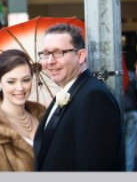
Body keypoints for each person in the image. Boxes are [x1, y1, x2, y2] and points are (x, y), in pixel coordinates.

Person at [33, 23, 123, 171]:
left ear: (81, 56)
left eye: (58, 53)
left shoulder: (94, 97)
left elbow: (94, 166)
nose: (50, 61)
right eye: (46, 54)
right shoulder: (71, 92)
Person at [123, 69, 137, 171]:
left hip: (118, 112)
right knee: (130, 144)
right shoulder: (131, 74)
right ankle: (128, 172)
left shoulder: (109, 72)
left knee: (117, 144)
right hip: (132, 111)